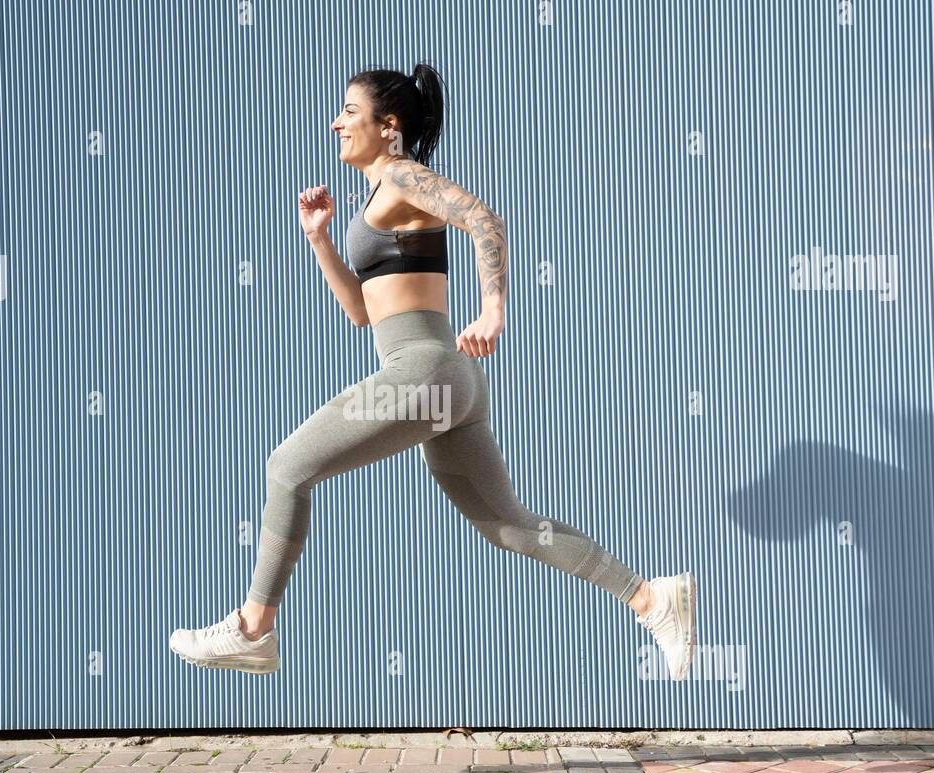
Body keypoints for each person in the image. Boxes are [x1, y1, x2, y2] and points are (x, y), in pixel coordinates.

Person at [169, 63, 697, 680]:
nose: (335, 122)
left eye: (349, 111)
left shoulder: (399, 174)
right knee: (507, 526)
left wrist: (493, 311)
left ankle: (253, 627)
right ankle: (652, 599)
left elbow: (483, 219)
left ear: (387, 126)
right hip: (449, 382)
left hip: (424, 373)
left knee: (287, 468)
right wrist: (320, 240)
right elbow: (361, 315)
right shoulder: (381, 196)